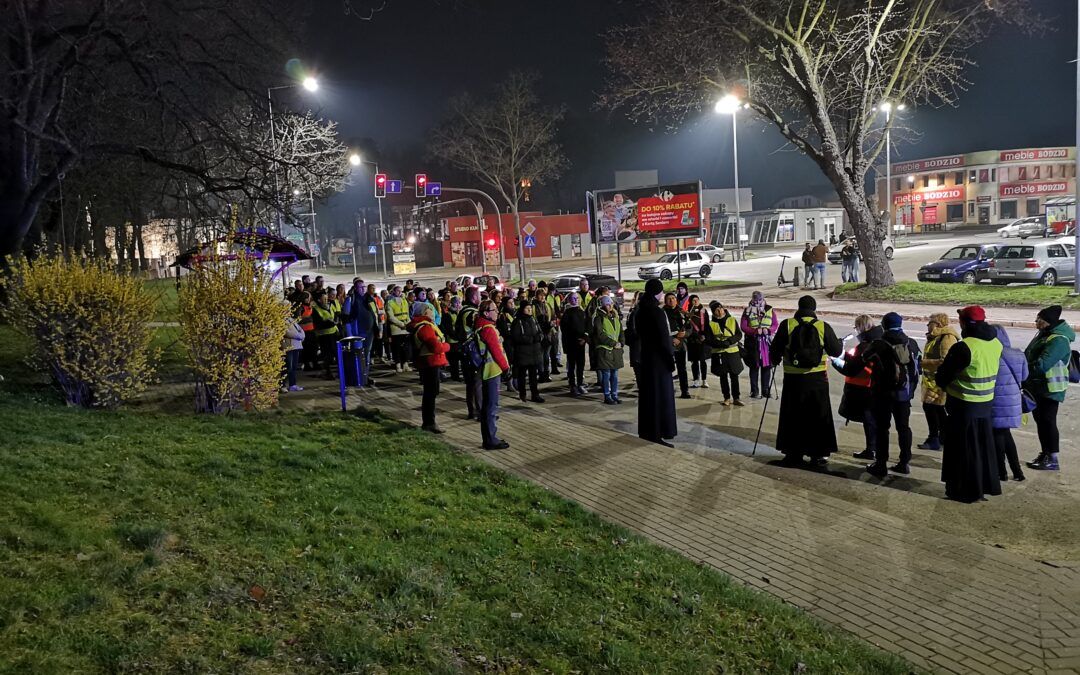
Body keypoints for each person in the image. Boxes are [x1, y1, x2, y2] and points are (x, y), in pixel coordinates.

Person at [934, 305, 1003, 502]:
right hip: (985, 404)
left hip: (964, 405)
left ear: (964, 323)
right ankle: (982, 487)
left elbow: (944, 376)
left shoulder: (964, 346)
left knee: (962, 452)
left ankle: (963, 489)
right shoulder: (995, 343)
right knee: (982, 449)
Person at [840, 312, 920, 476]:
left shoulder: (878, 344)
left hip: (882, 394)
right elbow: (918, 369)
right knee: (903, 427)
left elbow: (858, 364)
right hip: (904, 395)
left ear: (883, 325)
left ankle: (881, 464)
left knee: (882, 428)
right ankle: (904, 463)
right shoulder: (910, 343)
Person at [769, 295, 843, 466]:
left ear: (799, 307)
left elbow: (776, 349)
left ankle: (793, 452)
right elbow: (836, 351)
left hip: (793, 379)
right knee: (818, 415)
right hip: (817, 379)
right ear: (814, 309)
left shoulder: (788, 324)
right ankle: (818, 454)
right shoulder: (822, 326)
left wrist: (774, 361)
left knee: (793, 416)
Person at [1023, 305, 1074, 472]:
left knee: (1048, 422)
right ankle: (1045, 454)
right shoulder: (1045, 335)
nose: (1036, 323)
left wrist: (1023, 370)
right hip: (1039, 386)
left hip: (1051, 388)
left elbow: (1042, 364)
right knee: (1041, 421)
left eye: (1039, 320)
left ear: (1048, 322)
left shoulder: (1058, 340)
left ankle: (1052, 458)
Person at [833, 315, 881, 462]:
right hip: (872, 387)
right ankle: (873, 450)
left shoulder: (866, 345)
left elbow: (851, 369)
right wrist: (845, 354)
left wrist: (836, 362)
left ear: (861, 327)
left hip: (864, 388)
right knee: (872, 421)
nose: (855, 331)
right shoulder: (877, 341)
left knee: (869, 421)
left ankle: (871, 450)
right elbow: (857, 360)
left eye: (856, 328)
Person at [635, 278, 677, 446]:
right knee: (660, 397)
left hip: (646, 358)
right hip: (659, 362)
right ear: (657, 293)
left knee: (648, 397)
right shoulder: (657, 312)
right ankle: (658, 432)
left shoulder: (640, 311)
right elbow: (664, 339)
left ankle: (647, 431)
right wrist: (670, 360)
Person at [991, 325, 1027, 482]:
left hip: (997, 399)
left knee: (997, 434)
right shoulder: (1018, 354)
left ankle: (1001, 471)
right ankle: (1017, 471)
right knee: (1005, 434)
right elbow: (1025, 376)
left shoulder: (993, 354)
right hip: (1013, 401)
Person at [919, 313, 959, 451]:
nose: (927, 325)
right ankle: (940, 438)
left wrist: (924, 363)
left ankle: (935, 438)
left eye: (930, 322)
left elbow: (946, 360)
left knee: (934, 410)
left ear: (938, 323)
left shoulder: (946, 338)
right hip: (931, 381)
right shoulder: (936, 336)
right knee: (933, 409)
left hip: (937, 382)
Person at [408, 303, 450, 433]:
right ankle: (429, 423)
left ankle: (429, 421)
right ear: (424, 313)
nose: (433, 312)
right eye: (430, 309)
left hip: (428, 362)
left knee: (430, 392)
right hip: (430, 362)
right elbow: (436, 347)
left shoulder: (422, 326)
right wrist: (447, 346)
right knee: (430, 393)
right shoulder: (425, 327)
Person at [476, 300, 511, 450]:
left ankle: (490, 437)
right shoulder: (488, 328)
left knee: (487, 406)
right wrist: (506, 368)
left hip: (487, 371)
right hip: (491, 371)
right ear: (486, 313)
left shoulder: (480, 326)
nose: (497, 312)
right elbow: (496, 351)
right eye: (494, 310)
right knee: (491, 406)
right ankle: (490, 439)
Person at [741, 291, 779, 399]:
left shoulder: (770, 310)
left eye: (759, 299)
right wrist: (754, 331)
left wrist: (769, 330)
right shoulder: (747, 311)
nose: (757, 302)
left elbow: (775, 324)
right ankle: (754, 391)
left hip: (766, 342)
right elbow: (743, 326)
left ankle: (766, 390)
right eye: (755, 299)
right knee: (754, 366)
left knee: (767, 366)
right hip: (753, 343)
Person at [706, 301, 744, 406]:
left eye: (721, 308)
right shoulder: (710, 324)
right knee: (723, 377)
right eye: (717, 310)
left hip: (732, 352)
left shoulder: (732, 320)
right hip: (719, 353)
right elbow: (708, 339)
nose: (720, 310)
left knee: (734, 375)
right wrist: (719, 343)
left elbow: (738, 334)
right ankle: (726, 397)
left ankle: (736, 398)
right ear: (713, 312)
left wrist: (729, 341)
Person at [510, 301, 545, 403]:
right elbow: (516, 337)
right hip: (523, 353)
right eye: (527, 308)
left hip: (534, 352)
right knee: (522, 375)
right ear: (522, 309)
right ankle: (522, 393)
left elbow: (539, 332)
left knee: (533, 376)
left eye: (530, 308)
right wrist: (530, 339)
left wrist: (539, 338)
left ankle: (535, 394)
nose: (529, 310)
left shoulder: (533, 319)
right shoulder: (518, 321)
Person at [593, 295, 625, 404]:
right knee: (606, 375)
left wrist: (622, 342)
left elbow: (621, 332)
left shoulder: (615, 317)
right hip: (605, 350)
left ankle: (614, 394)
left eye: (610, 303)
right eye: (607, 304)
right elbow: (600, 334)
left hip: (615, 350)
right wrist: (613, 343)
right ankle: (607, 395)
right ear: (602, 305)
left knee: (614, 375)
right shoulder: (599, 318)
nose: (610, 306)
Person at [457, 286, 483, 419]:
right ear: (473, 297)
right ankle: (479, 412)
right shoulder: (472, 313)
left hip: (465, 352)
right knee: (477, 382)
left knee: (471, 383)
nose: (480, 298)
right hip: (473, 352)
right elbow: (477, 330)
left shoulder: (463, 311)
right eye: (478, 295)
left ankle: (472, 411)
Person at [561, 291, 589, 395]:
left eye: (577, 298)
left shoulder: (582, 312)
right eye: (573, 298)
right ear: (569, 300)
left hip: (581, 344)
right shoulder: (567, 314)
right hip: (572, 344)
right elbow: (566, 331)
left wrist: (585, 338)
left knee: (581, 365)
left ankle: (580, 384)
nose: (576, 300)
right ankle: (572, 385)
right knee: (572, 366)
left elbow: (587, 326)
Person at [664, 292, 691, 399]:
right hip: (668, 343)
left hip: (681, 344)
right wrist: (671, 340)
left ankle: (685, 390)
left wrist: (685, 334)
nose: (671, 300)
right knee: (668, 368)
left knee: (682, 368)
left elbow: (689, 327)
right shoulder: (663, 312)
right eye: (669, 299)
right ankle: (668, 390)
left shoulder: (682, 312)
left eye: (673, 298)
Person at [686, 295, 710, 389]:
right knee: (694, 361)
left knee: (703, 361)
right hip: (693, 339)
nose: (695, 302)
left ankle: (704, 380)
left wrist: (704, 336)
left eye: (697, 300)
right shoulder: (688, 312)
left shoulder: (703, 311)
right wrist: (696, 335)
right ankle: (696, 380)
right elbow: (688, 327)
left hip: (703, 339)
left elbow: (707, 324)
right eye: (693, 300)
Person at [386, 285, 412, 372]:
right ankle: (398, 364)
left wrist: (408, 323)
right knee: (396, 348)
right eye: (397, 291)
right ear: (393, 292)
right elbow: (391, 317)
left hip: (405, 328)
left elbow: (407, 314)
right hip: (396, 329)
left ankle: (405, 364)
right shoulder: (390, 303)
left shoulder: (405, 301)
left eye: (401, 291)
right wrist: (401, 324)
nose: (400, 293)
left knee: (406, 348)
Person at [282, 306, 305, 393]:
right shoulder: (281, 320)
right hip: (289, 345)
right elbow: (287, 332)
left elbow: (300, 329)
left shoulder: (291, 320)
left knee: (294, 366)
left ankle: (293, 384)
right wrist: (299, 336)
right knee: (288, 366)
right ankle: (283, 385)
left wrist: (302, 335)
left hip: (296, 345)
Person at [533, 287, 555, 383]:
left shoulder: (547, 305)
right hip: (539, 334)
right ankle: (541, 374)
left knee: (546, 356)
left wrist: (552, 325)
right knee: (540, 356)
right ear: (536, 296)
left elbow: (553, 317)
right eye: (540, 295)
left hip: (548, 333)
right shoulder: (533, 306)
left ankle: (547, 373)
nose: (542, 297)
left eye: (543, 295)